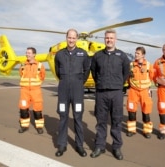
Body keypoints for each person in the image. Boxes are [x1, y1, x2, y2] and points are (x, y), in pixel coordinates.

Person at [90, 29, 130, 160]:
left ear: (115, 39)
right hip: (101, 92)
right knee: (100, 121)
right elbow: (94, 72)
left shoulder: (122, 56)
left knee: (116, 121)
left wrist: (118, 84)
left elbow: (126, 72)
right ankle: (99, 146)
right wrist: (101, 83)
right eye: (107, 38)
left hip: (116, 93)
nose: (109, 40)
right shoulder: (97, 56)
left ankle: (116, 147)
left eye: (111, 38)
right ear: (104, 39)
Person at [54, 29, 91, 157]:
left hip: (77, 91)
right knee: (63, 117)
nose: (71, 40)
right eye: (69, 37)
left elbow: (86, 70)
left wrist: (79, 82)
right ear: (66, 38)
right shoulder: (59, 54)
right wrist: (65, 80)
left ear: (77, 39)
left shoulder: (83, 53)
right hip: (63, 90)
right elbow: (58, 71)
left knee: (78, 118)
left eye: (74, 38)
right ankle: (62, 145)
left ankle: (79, 145)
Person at [126, 46, 153, 139]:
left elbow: (152, 77)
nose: (136, 55)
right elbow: (127, 78)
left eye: (138, 53)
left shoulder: (149, 65)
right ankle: (131, 130)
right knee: (131, 110)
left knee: (146, 111)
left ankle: (147, 131)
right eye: (135, 53)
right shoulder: (131, 65)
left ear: (143, 55)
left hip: (145, 91)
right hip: (133, 91)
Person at [18, 47, 46, 134]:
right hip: (24, 91)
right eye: (26, 53)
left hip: (36, 91)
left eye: (29, 53)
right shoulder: (22, 65)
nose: (27, 54)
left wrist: (35, 85)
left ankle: (39, 127)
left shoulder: (40, 65)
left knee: (37, 110)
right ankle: (24, 126)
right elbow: (21, 75)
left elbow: (42, 76)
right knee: (23, 109)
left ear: (34, 54)